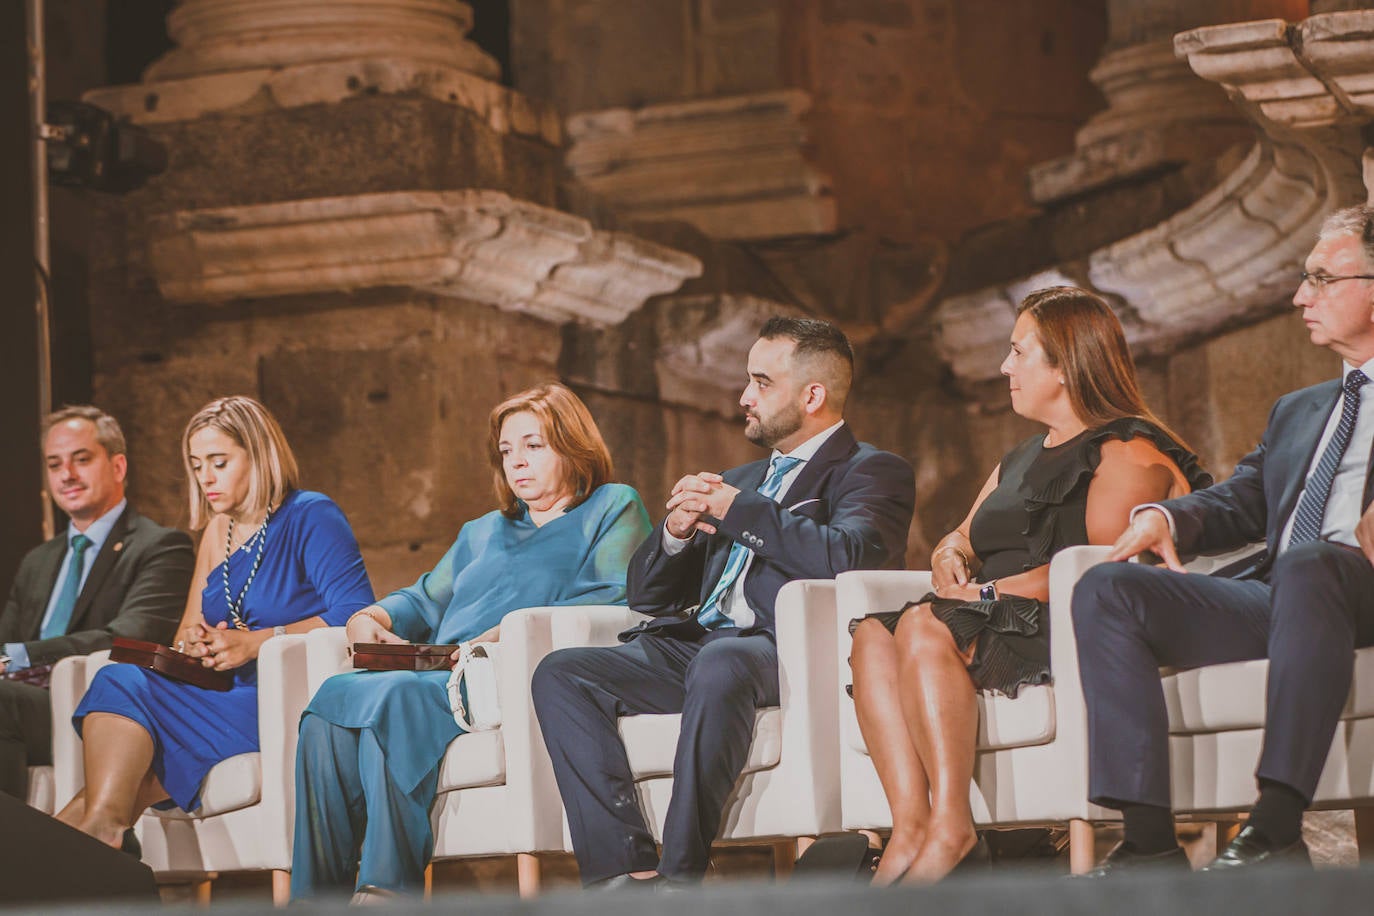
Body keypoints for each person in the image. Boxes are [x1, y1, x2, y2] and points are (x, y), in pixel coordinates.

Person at [533, 316, 916, 890]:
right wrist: (677, 533)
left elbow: (850, 557)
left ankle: (680, 875)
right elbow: (647, 595)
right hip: (694, 645)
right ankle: (622, 871)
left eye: (761, 382)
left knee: (722, 662)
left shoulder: (870, 471)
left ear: (812, 395)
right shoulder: (742, 479)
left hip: (781, 651)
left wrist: (740, 511)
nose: (744, 397)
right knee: (562, 672)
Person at [849, 287, 1212, 885]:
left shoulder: (1126, 450)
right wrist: (949, 554)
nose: (1004, 367)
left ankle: (954, 829)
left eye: (1018, 352)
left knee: (920, 622)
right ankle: (911, 827)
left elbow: (1100, 566)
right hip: (982, 614)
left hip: (1062, 626)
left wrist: (986, 595)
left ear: (1065, 366)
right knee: (869, 634)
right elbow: (962, 533)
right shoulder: (1019, 458)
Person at [1072, 205, 1374, 874]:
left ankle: (1276, 824)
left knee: (1312, 565)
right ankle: (1149, 841)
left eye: (1321, 278)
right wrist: (1166, 518)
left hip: (1359, 587)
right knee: (1109, 588)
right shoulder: (1300, 410)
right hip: (1288, 592)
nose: (1301, 296)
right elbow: (1244, 499)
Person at [290, 382, 651, 902]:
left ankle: (386, 890)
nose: (517, 462)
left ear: (573, 446)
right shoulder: (483, 530)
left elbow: (615, 597)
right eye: (506, 451)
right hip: (442, 670)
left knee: (390, 699)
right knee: (331, 701)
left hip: (508, 674)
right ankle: (315, 899)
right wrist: (369, 615)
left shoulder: (611, 506)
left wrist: (509, 630)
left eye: (533, 445)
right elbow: (423, 599)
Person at [56, 395, 373, 848]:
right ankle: (88, 845)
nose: (205, 477)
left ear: (259, 455)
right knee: (120, 682)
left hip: (284, 700)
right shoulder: (216, 532)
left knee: (124, 696)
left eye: (219, 462)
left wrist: (259, 641)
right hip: (220, 693)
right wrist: (197, 643)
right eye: (196, 464)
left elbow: (358, 615)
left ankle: (86, 844)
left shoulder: (311, 514)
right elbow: (188, 629)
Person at [0, 406, 194, 800]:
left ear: (118, 466)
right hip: (24, 703)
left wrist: (18, 657)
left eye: (81, 459)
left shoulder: (160, 547)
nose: (66, 475)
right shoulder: (37, 561)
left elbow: (129, 638)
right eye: (55, 464)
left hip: (95, 707)